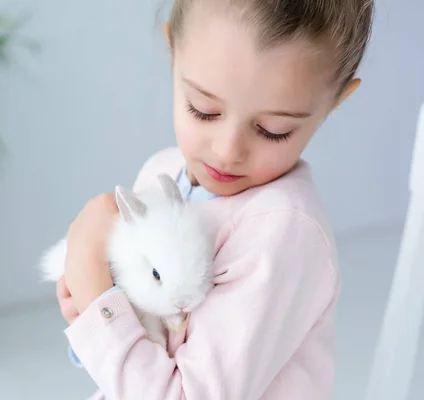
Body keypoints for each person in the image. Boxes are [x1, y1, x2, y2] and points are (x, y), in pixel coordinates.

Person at [56, 0, 374, 398]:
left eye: (272, 130)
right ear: (173, 52)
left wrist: (97, 303)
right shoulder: (163, 173)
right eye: (203, 110)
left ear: (334, 101)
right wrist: (98, 318)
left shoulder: (282, 233)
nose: (227, 152)